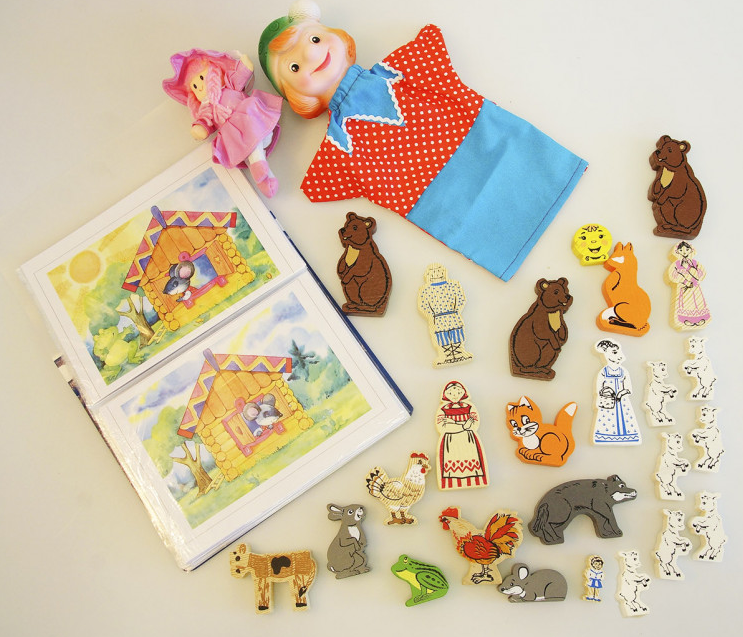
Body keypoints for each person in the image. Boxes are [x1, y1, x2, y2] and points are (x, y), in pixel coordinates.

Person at [258, 1, 587, 281]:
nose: (311, 55)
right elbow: (314, 187)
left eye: (314, 39)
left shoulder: (403, 69)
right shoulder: (339, 145)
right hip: (479, 223)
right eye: (294, 66)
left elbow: (314, 189)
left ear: (338, 37)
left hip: (522, 162)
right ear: (294, 96)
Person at [163, 49, 282, 197]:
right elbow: (204, 122)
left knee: (249, 124)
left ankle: (258, 164)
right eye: (195, 87)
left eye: (201, 78)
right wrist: (199, 129)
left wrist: (244, 64)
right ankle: (266, 179)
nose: (200, 87)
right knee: (244, 146)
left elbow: (242, 74)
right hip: (238, 141)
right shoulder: (207, 109)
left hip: (256, 123)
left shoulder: (229, 86)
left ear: (213, 71)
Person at [436, 381, 487, 490]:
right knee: (453, 460)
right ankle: (453, 481)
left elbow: (474, 424)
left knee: (469, 458)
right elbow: (442, 427)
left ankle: (473, 479)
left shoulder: (469, 407)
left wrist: (454, 423)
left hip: (468, 440)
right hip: (451, 441)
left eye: (458, 392)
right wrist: (463, 426)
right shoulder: (443, 409)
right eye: (450, 393)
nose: (455, 395)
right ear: (445, 394)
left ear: (463, 393)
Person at [592, 339, 641, 445]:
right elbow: (599, 388)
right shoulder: (604, 371)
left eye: (617, 352)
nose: (619, 355)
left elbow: (628, 388)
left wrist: (621, 393)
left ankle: (627, 436)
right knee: (608, 418)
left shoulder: (623, 371)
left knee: (625, 418)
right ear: (606, 354)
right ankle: (607, 435)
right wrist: (605, 391)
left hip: (622, 401)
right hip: (608, 400)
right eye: (614, 352)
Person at [667, 241, 710, 328]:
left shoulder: (695, 263)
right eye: (681, 250)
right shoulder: (677, 264)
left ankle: (700, 319)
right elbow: (673, 275)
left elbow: (701, 274)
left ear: (691, 250)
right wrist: (685, 281)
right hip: (683, 287)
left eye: (687, 250)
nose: (684, 252)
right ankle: (686, 319)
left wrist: (693, 274)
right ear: (677, 251)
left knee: (697, 302)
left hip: (695, 287)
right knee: (685, 303)